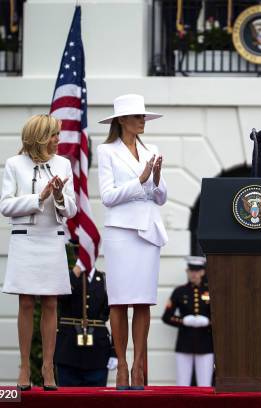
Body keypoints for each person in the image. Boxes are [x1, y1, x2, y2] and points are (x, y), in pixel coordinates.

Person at [0, 114, 77, 391]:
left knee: (51, 303)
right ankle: (24, 366)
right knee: (26, 303)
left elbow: (72, 209)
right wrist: (39, 197)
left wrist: (57, 196)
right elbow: (5, 206)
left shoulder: (64, 164)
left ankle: (47, 366)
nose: (59, 139)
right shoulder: (14, 164)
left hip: (52, 239)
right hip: (25, 240)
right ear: (41, 137)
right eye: (55, 135)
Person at [97, 94, 167, 390]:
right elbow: (108, 196)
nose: (142, 121)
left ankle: (139, 366)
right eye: (138, 117)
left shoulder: (152, 149)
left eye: (143, 116)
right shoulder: (106, 151)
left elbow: (161, 197)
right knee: (119, 301)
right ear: (122, 120)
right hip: (121, 232)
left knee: (142, 301)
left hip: (147, 230)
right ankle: (122, 367)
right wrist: (140, 181)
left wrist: (157, 178)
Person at [54, 243, 117, 386]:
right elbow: (58, 296)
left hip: (98, 352)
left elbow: (115, 317)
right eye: (80, 253)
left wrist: (115, 351)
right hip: (68, 352)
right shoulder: (67, 278)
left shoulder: (105, 280)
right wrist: (76, 272)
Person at [162, 256, 214, 386]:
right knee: (182, 383)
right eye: (191, 270)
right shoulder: (179, 291)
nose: (194, 274)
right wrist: (183, 321)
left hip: (205, 344)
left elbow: (222, 316)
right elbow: (166, 316)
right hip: (184, 343)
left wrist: (208, 321)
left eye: (197, 271)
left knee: (205, 385)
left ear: (203, 272)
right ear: (187, 271)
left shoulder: (212, 291)